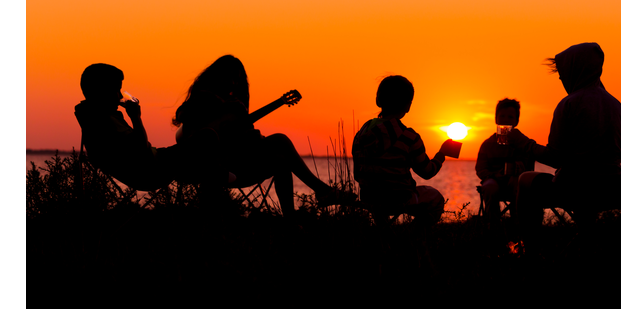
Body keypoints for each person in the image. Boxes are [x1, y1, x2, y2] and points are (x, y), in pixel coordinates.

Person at [172, 55, 356, 217]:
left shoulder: (236, 107)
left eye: (237, 80)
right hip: (209, 168)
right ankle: (322, 191)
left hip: (236, 166)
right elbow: (182, 118)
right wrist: (220, 107)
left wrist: (251, 135)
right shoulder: (203, 98)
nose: (233, 84)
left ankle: (291, 220)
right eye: (229, 78)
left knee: (281, 161)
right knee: (280, 140)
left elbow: (242, 141)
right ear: (217, 76)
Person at [506, 43, 621, 249]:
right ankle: (587, 238)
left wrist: (524, 144)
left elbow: (555, 158)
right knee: (583, 177)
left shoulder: (569, 104)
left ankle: (530, 247)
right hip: (613, 189)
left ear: (576, 70)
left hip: (577, 189)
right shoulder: (617, 106)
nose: (562, 80)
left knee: (526, 179)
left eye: (563, 75)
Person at [352, 75, 453, 227]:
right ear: (408, 106)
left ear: (378, 100)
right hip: (398, 199)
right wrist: (442, 154)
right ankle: (413, 238)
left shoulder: (362, 133)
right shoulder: (408, 136)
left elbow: (357, 174)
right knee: (435, 198)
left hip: (369, 198)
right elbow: (427, 172)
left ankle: (384, 232)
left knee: (379, 198)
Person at [74, 63, 183, 191]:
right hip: (152, 171)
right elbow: (141, 149)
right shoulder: (105, 122)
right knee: (206, 138)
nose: (120, 96)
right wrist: (136, 117)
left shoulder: (91, 116)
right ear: (102, 91)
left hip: (155, 161)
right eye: (117, 90)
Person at [475, 98, 535, 222]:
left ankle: (518, 224)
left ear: (516, 121)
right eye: (502, 116)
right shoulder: (488, 144)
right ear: (496, 118)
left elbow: (529, 167)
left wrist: (520, 165)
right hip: (493, 179)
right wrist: (494, 175)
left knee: (517, 185)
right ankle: (493, 225)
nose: (505, 120)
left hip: (514, 180)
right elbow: (480, 169)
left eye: (510, 117)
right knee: (490, 188)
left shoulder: (522, 142)